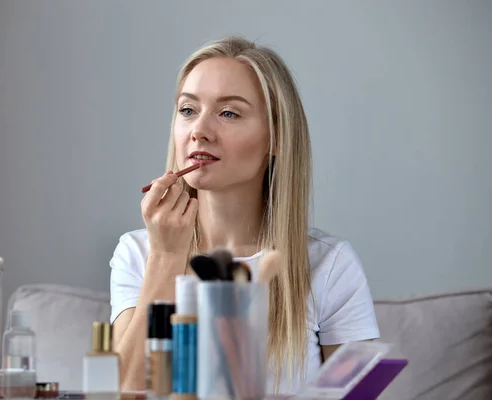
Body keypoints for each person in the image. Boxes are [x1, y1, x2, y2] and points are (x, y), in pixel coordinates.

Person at [108, 35, 380, 395]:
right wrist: (166, 257)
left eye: (228, 113)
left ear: (276, 138)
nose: (199, 132)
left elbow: (363, 392)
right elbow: (120, 391)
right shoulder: (137, 252)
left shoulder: (330, 264)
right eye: (188, 110)